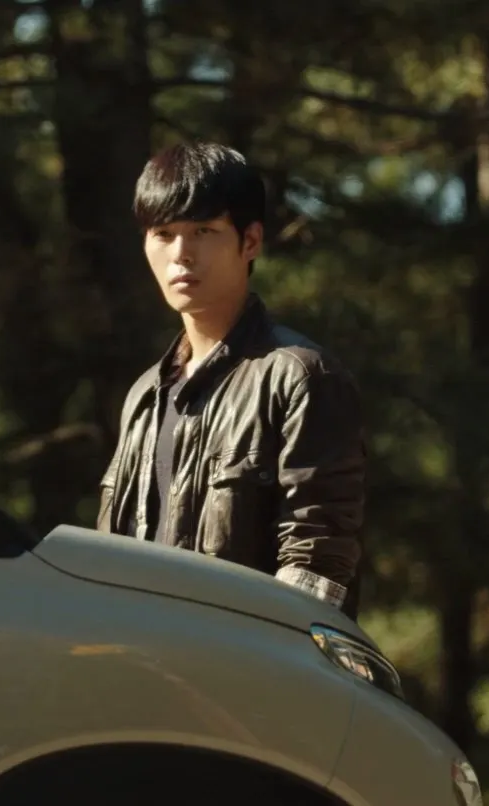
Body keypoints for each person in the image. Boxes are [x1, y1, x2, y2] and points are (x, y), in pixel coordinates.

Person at [95, 141, 366, 616]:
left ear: (251, 241)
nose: (181, 254)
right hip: (141, 653)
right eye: (163, 233)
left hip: (247, 656)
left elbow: (317, 563)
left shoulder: (301, 377)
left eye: (203, 230)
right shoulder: (144, 396)